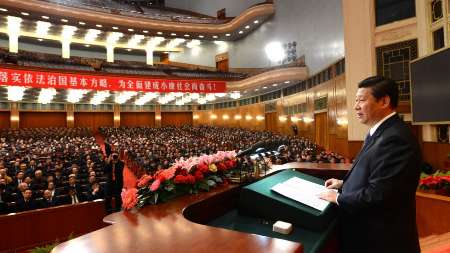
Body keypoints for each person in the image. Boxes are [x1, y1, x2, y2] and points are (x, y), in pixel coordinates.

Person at [319, 76, 421, 253]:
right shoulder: (379, 132)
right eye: (356, 100)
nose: (355, 106)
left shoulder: (396, 138)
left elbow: (379, 194)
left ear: (384, 101)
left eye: (362, 100)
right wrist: (344, 184)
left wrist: (337, 197)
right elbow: (375, 175)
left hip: (382, 242)